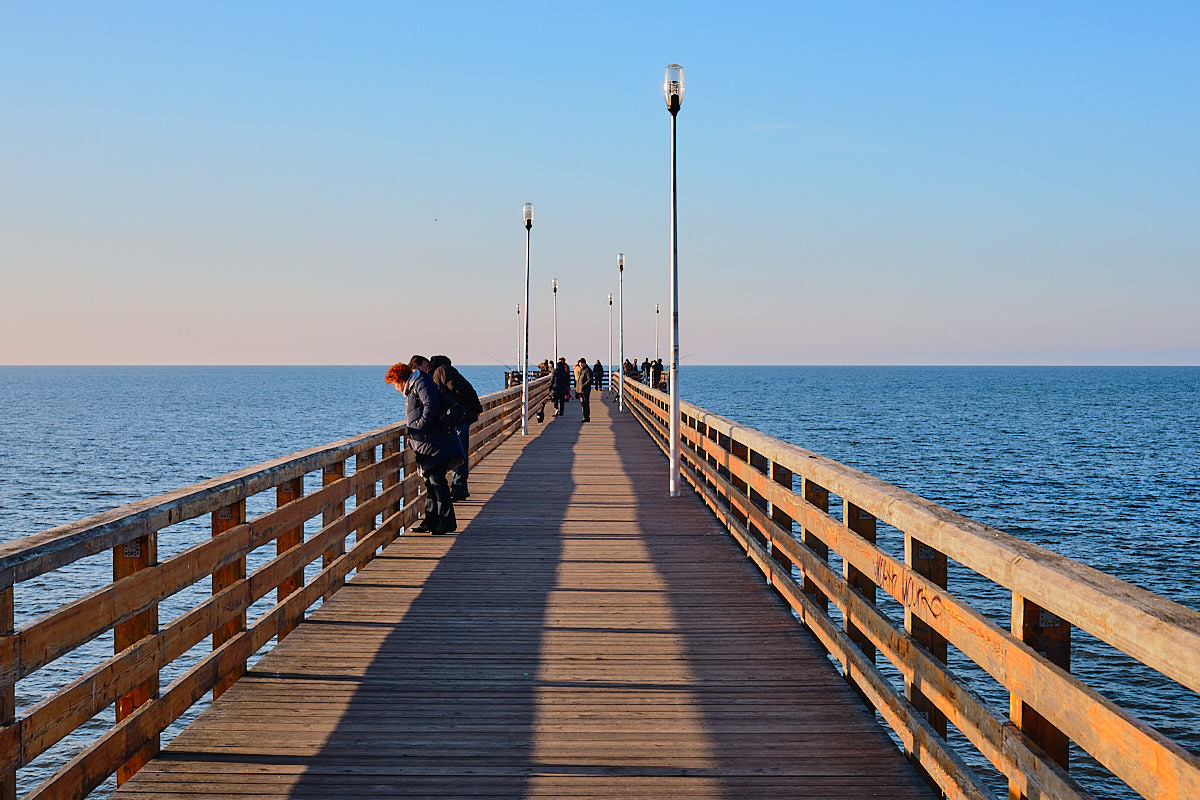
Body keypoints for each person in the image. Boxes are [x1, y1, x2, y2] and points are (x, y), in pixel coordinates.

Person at [384, 359, 462, 535]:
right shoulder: (415, 385)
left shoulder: (420, 382)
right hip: (428, 443)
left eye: (395, 384)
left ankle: (446, 522)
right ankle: (431, 521)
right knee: (430, 482)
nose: (395, 388)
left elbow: (431, 405)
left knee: (437, 482)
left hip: (435, 442)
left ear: (400, 379)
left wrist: (420, 427)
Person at [429, 355, 483, 501]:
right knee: (458, 451)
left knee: (459, 451)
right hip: (459, 416)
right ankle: (459, 487)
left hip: (460, 416)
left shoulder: (442, 371)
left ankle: (459, 488)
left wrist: (477, 408)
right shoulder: (442, 371)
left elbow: (463, 389)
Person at [575, 358, 593, 422]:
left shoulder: (587, 370)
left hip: (585, 390)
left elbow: (590, 380)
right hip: (580, 390)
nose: (581, 365)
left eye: (582, 364)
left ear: (585, 363)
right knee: (583, 404)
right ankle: (585, 416)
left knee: (585, 403)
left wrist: (583, 385)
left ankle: (586, 417)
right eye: (580, 364)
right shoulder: (582, 370)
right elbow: (579, 380)